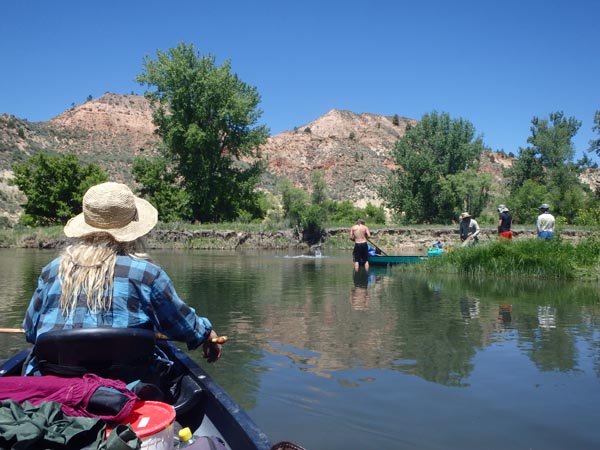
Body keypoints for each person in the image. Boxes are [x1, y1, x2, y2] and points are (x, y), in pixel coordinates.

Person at [22, 181, 222, 375]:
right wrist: (206, 333)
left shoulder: (52, 271)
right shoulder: (147, 274)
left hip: (57, 380)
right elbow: (182, 326)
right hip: (126, 383)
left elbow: (31, 332)